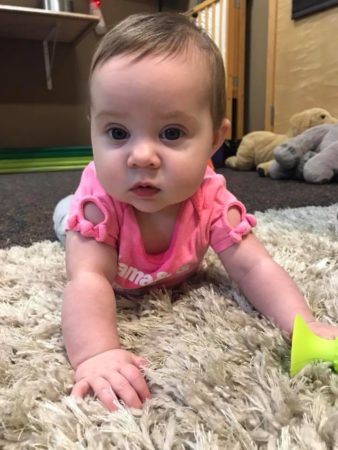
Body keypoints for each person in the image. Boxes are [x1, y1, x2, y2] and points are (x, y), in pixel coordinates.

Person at [53, 12, 338, 412]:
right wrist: (96, 353)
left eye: (171, 133)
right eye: (117, 133)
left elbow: (254, 268)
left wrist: (302, 323)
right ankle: (64, 215)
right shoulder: (100, 203)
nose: (141, 156)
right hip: (98, 228)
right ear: (93, 130)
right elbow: (87, 279)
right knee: (71, 226)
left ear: (215, 140)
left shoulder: (212, 201)